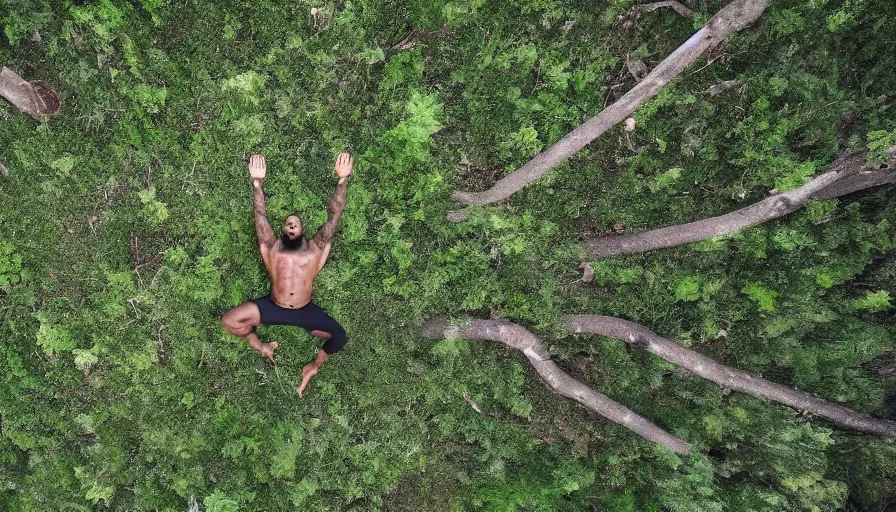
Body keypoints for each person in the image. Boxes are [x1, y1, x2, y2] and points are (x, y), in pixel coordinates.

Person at [221, 152, 353, 397]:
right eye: (287, 224)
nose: (291, 225)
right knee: (229, 321)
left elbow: (335, 215)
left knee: (341, 338)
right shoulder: (273, 248)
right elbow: (260, 216)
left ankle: (312, 367)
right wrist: (257, 183)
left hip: (305, 311)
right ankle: (261, 346)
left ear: (304, 230)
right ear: (283, 231)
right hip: (273, 307)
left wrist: (342, 181)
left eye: (295, 223)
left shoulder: (316, 248)